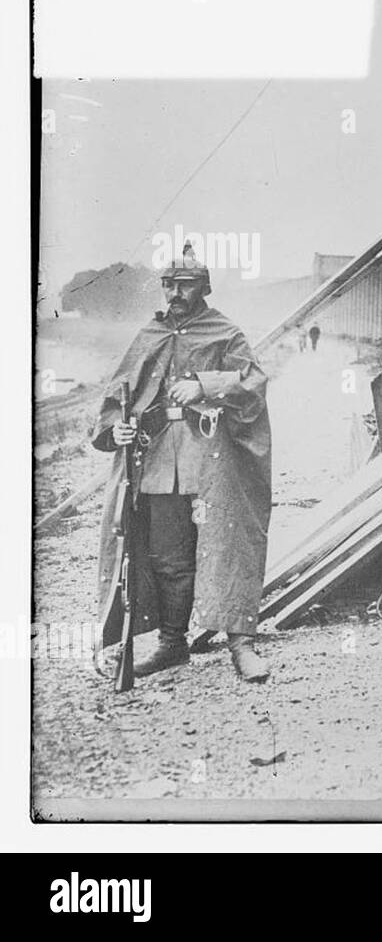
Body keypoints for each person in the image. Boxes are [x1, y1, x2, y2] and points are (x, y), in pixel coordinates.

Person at [92, 245, 272, 682]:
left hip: (213, 461)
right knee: (169, 559)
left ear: (204, 287)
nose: (174, 292)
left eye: (184, 285)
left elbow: (253, 382)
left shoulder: (225, 332)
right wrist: (117, 429)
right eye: (169, 284)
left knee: (225, 548)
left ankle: (240, 646)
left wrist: (205, 387)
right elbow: (118, 396)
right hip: (158, 463)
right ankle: (172, 645)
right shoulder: (149, 336)